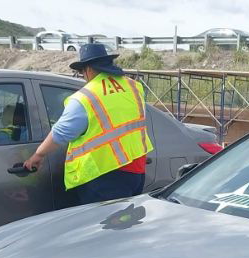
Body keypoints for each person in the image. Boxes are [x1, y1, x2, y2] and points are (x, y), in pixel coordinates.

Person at [22, 43, 153, 204]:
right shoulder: (133, 86)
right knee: (125, 223)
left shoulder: (86, 97)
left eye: (82, 72)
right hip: (136, 169)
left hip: (105, 175)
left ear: (89, 69)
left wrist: (38, 155)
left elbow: (61, 133)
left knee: (105, 226)